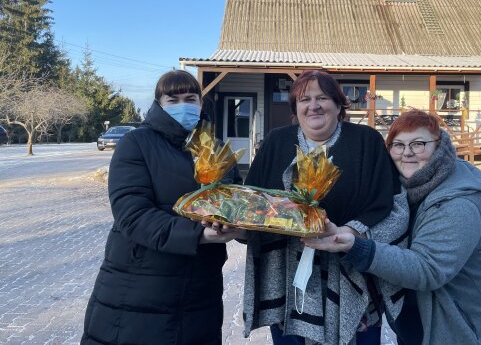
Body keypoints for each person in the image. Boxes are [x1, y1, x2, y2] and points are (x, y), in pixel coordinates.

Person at [304, 109, 481, 345]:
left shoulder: (457, 204)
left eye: (418, 144)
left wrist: (358, 246)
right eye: (398, 145)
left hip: (468, 328)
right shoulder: (403, 191)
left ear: (439, 147)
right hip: (423, 321)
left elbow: (427, 269)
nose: (407, 153)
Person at [81, 70, 243, 345]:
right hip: (140, 287)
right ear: (159, 103)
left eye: (191, 98)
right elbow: (131, 215)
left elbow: (236, 202)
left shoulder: (216, 149)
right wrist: (199, 235)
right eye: (173, 99)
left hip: (200, 288)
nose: (184, 105)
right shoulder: (136, 143)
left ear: (201, 104)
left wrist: (243, 228)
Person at [241, 70, 399, 345]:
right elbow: (252, 201)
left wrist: (349, 234)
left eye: (322, 98)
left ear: (338, 105)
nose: (313, 105)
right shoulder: (277, 142)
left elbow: (389, 202)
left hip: (349, 271)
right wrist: (235, 225)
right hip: (287, 277)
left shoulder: (366, 141)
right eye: (304, 100)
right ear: (296, 109)